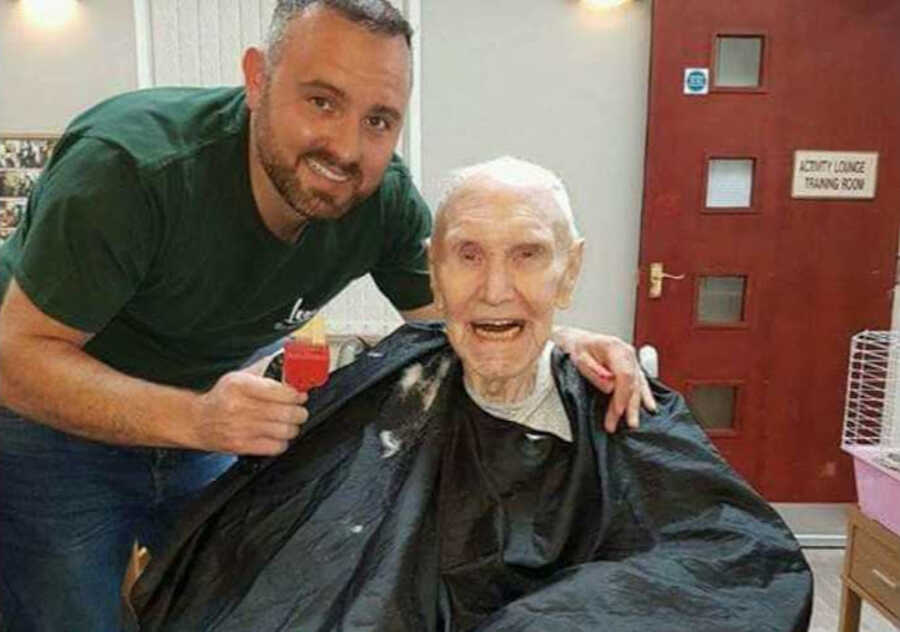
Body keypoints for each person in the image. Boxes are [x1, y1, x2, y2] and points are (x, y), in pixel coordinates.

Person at [0, 2, 651, 630]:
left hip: (203, 428)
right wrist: (195, 418)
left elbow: (461, 318)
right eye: (321, 101)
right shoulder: (130, 170)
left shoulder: (382, 199)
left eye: (379, 120)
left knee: (234, 604)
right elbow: (15, 360)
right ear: (258, 78)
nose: (346, 148)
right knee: (68, 615)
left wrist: (566, 339)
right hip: (51, 422)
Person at [131, 157, 812, 631]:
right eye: (468, 255)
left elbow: (742, 568)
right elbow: (272, 547)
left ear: (569, 271)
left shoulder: (623, 409)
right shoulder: (387, 387)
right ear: (434, 269)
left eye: (527, 255)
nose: (493, 289)